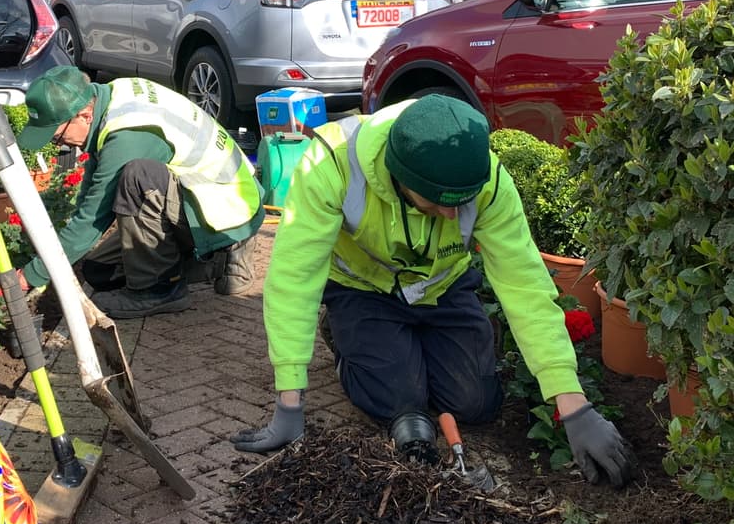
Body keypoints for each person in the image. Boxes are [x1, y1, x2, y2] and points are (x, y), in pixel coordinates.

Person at [231, 94, 638, 489]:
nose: (452, 213)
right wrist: (289, 401)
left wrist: (574, 407)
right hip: (364, 290)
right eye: (438, 202)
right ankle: (344, 340)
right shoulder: (332, 165)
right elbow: (293, 280)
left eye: (462, 203)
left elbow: (525, 285)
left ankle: (414, 348)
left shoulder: (486, 177)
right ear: (399, 178)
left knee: (477, 404)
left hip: (444, 286)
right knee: (400, 405)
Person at [15, 65, 264, 318]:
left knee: (137, 179)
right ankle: (214, 264)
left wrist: (31, 276)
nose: (59, 144)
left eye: (57, 137)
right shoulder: (111, 97)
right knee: (98, 270)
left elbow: (92, 219)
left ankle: (158, 290)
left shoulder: (128, 138)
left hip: (228, 206)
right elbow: (91, 189)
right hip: (202, 198)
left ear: (84, 115)